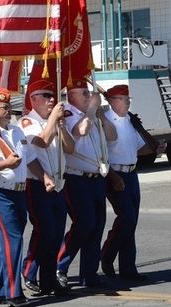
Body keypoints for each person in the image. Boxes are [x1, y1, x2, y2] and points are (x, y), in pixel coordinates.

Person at [0, 88, 55, 307]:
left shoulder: (16, 132)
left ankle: (1, 291)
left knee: (8, 244)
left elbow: (29, 160)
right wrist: (5, 164)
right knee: (13, 241)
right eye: (4, 107)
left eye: (9, 107)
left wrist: (45, 177)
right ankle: (13, 293)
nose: (10, 111)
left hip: (20, 191)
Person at [56, 79, 117, 288]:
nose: (88, 96)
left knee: (97, 225)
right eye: (83, 93)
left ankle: (89, 274)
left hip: (96, 178)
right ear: (71, 96)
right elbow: (80, 131)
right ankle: (60, 265)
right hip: (76, 178)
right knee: (84, 224)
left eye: (88, 93)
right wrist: (92, 110)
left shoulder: (92, 115)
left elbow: (112, 136)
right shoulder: (68, 113)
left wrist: (100, 115)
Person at [18, 80, 74, 295]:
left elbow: (70, 148)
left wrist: (61, 126)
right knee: (44, 231)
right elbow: (40, 141)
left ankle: (49, 279)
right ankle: (29, 271)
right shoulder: (26, 122)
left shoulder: (55, 121)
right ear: (33, 99)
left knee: (56, 233)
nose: (52, 99)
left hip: (59, 183)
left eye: (53, 95)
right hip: (37, 184)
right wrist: (52, 120)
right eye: (46, 95)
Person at [100, 84, 150, 281]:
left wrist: (155, 148)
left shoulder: (129, 120)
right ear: (112, 102)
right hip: (115, 174)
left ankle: (128, 269)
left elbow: (138, 148)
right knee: (127, 218)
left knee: (132, 222)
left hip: (131, 173)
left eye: (128, 98)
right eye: (123, 98)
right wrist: (113, 176)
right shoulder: (104, 121)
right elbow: (101, 154)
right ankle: (107, 254)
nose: (128, 101)